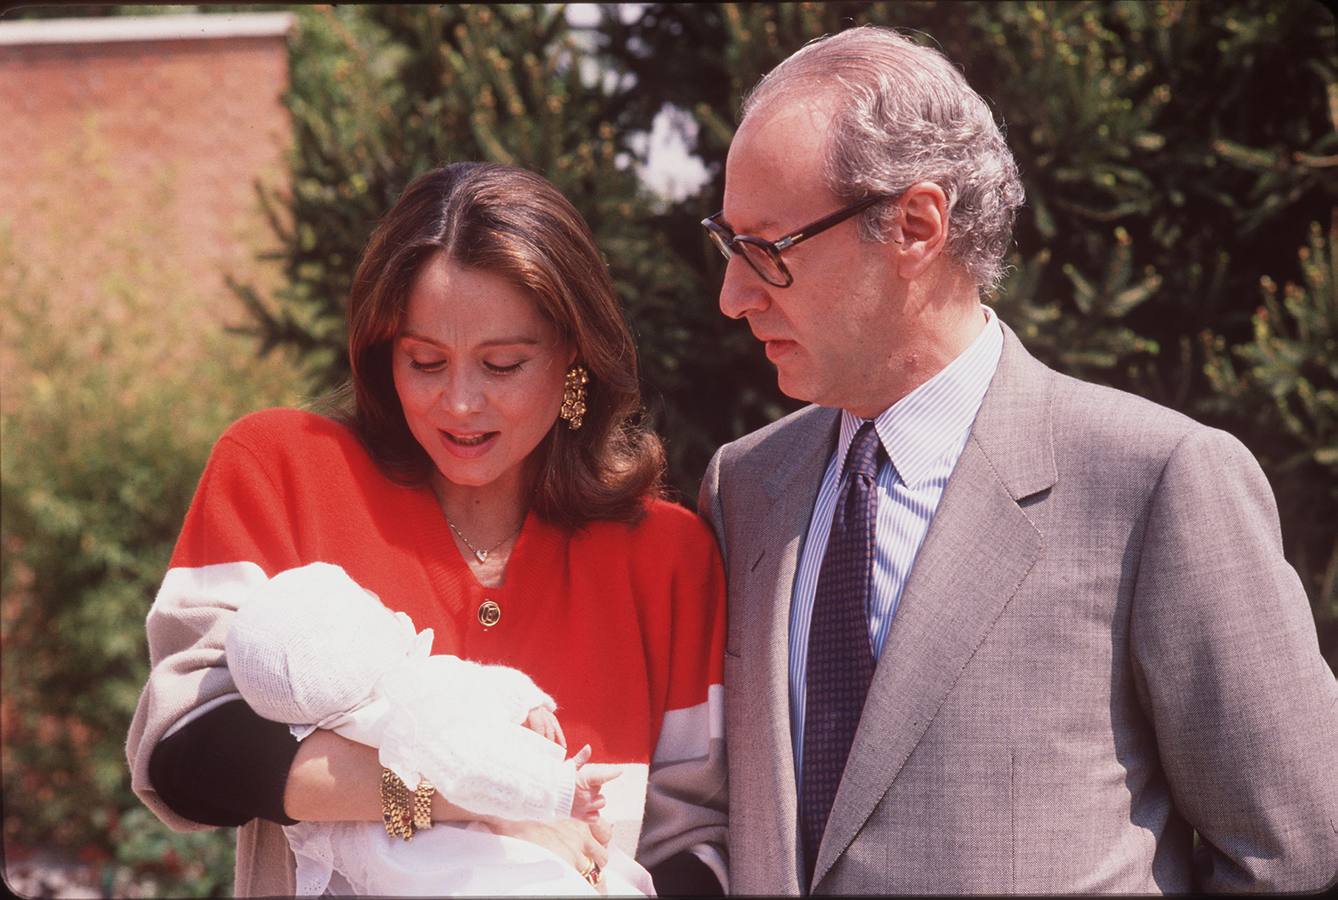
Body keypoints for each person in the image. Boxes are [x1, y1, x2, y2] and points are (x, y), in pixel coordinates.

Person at [696, 24, 1338, 895]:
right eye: (727, 245)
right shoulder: (744, 488)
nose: (733, 296)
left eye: (767, 250)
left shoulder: (1157, 480)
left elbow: (1301, 854)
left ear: (917, 225)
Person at [126, 161, 727, 897]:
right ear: (386, 355)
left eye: (503, 364)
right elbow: (189, 750)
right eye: (426, 361)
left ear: (575, 361)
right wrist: (465, 796)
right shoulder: (280, 471)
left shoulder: (669, 557)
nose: (461, 403)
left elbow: (697, 839)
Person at [224, 560, 649, 896]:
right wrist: (556, 792)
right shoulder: (411, 700)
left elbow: (477, 682)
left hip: (413, 863)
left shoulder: (323, 725)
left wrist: (526, 701)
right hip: (480, 859)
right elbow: (468, 769)